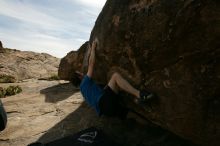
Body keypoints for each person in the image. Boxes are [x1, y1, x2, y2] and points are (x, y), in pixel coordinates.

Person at [72, 39, 155, 119]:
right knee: (115, 76)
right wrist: (93, 48)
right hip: (106, 102)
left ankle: (142, 109)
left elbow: (97, 95)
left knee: (130, 114)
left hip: (105, 111)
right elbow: (91, 64)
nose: (82, 73)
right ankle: (139, 95)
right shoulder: (85, 81)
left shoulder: (83, 90)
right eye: (80, 73)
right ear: (79, 76)